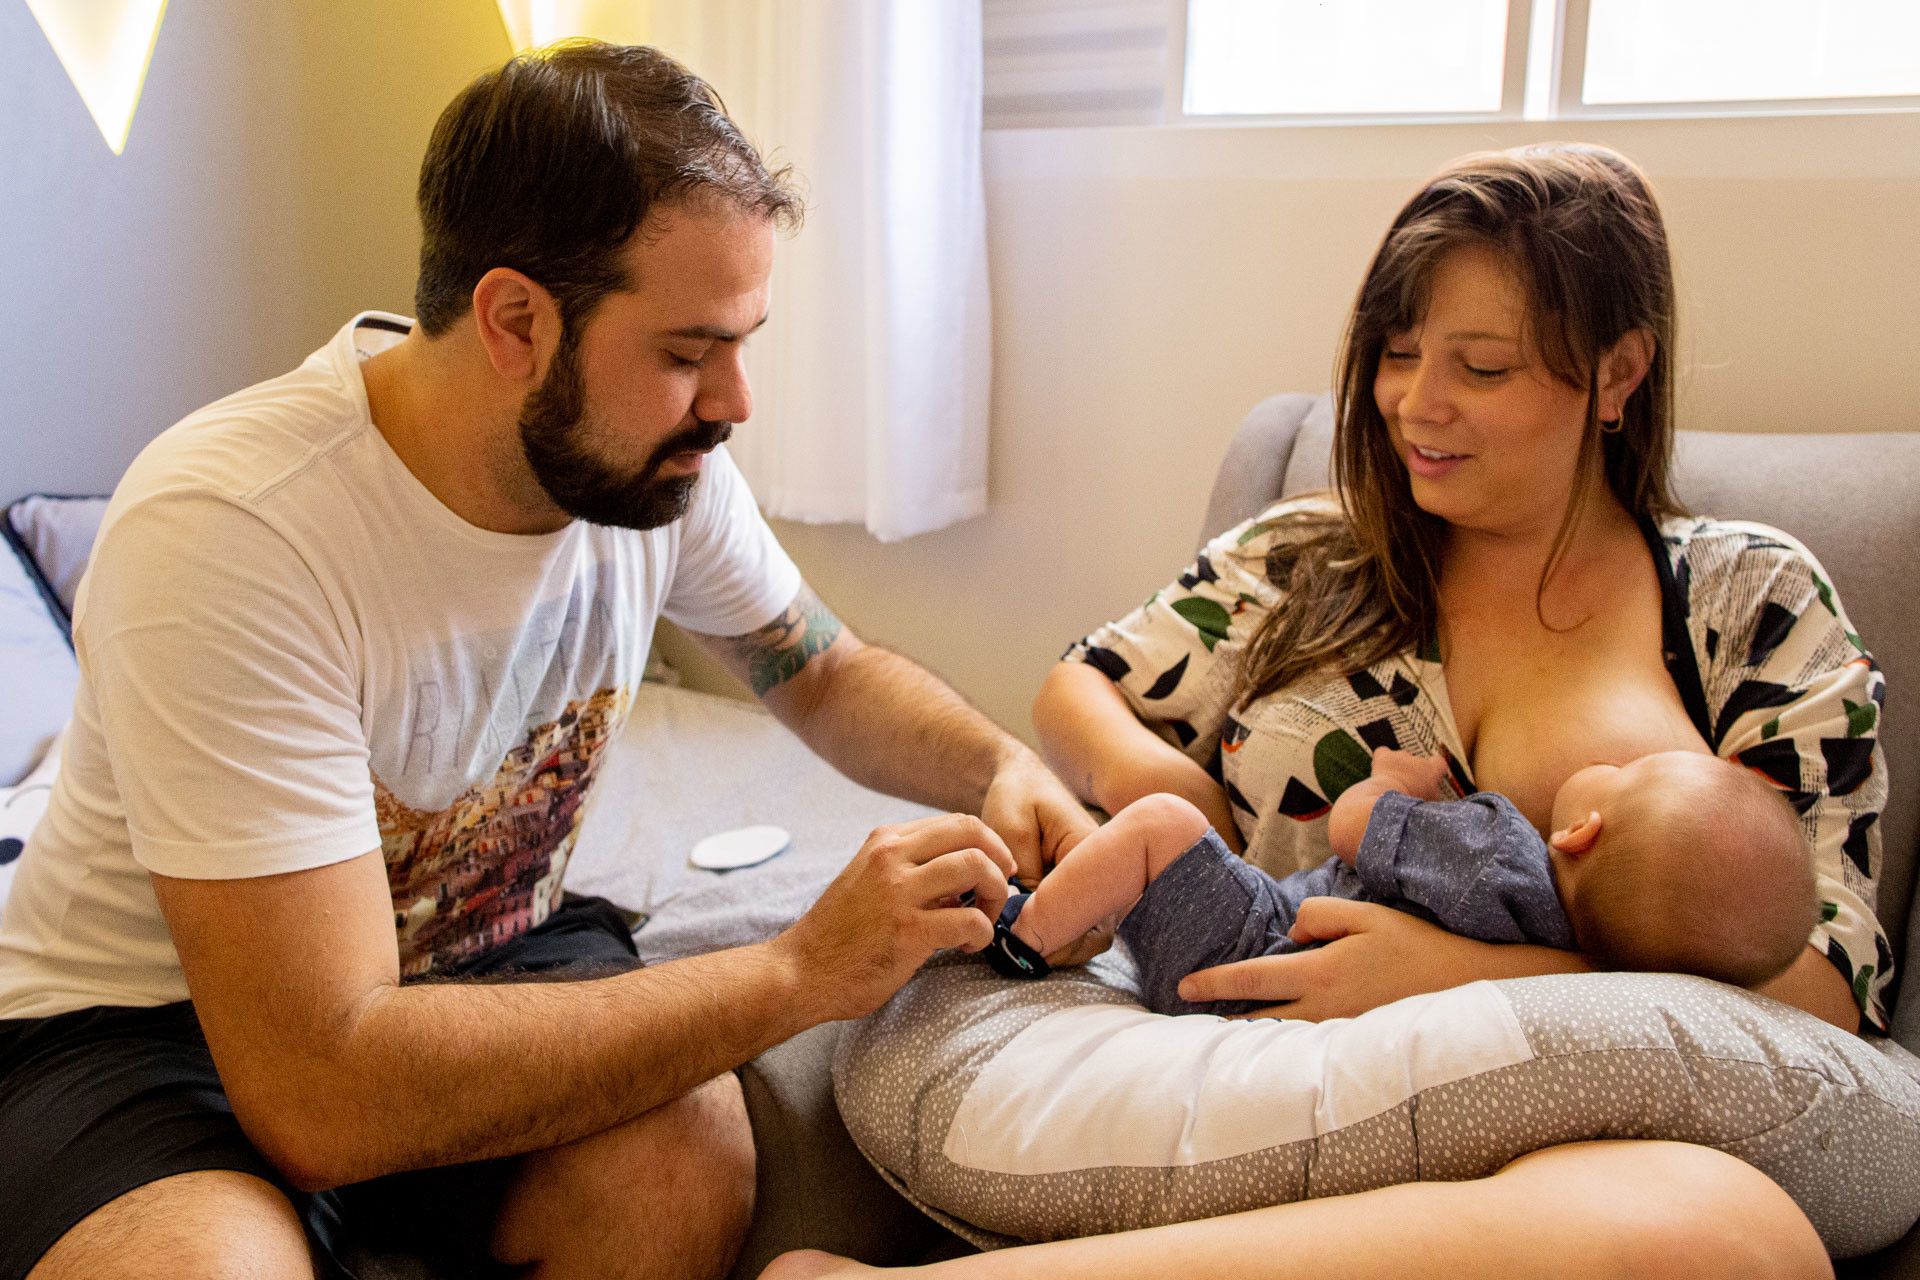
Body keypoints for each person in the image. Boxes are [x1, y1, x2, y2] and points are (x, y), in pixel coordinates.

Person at [0, 42, 1096, 1280]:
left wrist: (998, 763)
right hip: (156, 1026)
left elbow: (824, 673)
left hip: (488, 949)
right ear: (515, 319)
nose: (736, 401)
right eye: (688, 353)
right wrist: (796, 970)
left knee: (684, 1157)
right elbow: (322, 1091)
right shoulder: (236, 532)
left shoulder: (661, 476)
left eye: (744, 342)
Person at [764, 143, 1880, 1278]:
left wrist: (1460, 975)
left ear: (1619, 373)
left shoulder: (1747, 598)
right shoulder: (1315, 552)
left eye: (1482, 367)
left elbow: (1822, 981)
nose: (1416, 403)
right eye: (1397, 354)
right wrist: (1159, 782)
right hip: (1266, 1074)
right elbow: (1081, 681)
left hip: (1578, 1122)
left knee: (1721, 1240)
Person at [985, 746, 1816, 1016]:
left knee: (1161, 824)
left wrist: (1393, 787)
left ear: (1582, 830)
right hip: (1278, 1001)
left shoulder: (1497, 848)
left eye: (1626, 769)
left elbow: (1353, 828)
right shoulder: (1570, 958)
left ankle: (1025, 935)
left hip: (1258, 941)